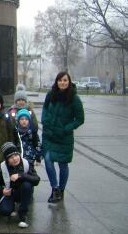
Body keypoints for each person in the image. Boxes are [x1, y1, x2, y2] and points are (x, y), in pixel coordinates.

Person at [41, 71, 84, 203]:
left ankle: (61, 189)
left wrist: (66, 128)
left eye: (65, 80)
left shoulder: (74, 98)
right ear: (57, 82)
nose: (62, 82)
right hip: (49, 135)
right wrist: (45, 121)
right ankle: (55, 189)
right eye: (60, 80)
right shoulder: (51, 94)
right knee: (48, 160)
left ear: (69, 82)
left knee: (62, 164)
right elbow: (45, 109)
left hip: (64, 137)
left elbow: (80, 119)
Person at [0, 142, 40, 228]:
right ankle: (12, 206)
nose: (15, 159)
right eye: (11, 157)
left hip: (23, 191)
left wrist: (21, 175)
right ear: (6, 159)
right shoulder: (1, 168)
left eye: (16, 155)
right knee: (5, 211)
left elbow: (36, 180)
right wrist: (2, 190)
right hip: (10, 192)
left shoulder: (26, 163)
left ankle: (23, 214)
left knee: (27, 185)